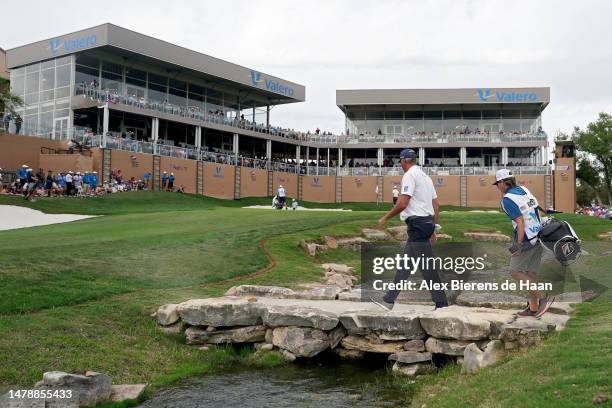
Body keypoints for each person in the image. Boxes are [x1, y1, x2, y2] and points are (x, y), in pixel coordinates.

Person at [372, 148, 448, 311]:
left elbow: (402, 203)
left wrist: (385, 217)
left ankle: (441, 303)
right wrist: (433, 227)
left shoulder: (409, 175)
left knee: (426, 267)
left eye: (400, 161)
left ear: (404, 161)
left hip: (417, 224)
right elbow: (436, 204)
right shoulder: (425, 177)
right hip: (425, 223)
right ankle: (389, 300)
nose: (400, 164)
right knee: (406, 265)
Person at [493, 169, 553, 318]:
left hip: (526, 239)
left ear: (503, 183)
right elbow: (537, 210)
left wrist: (519, 244)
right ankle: (533, 308)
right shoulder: (524, 190)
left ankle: (544, 297)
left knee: (515, 271)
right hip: (538, 235)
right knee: (530, 274)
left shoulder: (507, 200)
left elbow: (520, 222)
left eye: (497, 184)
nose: (497, 187)